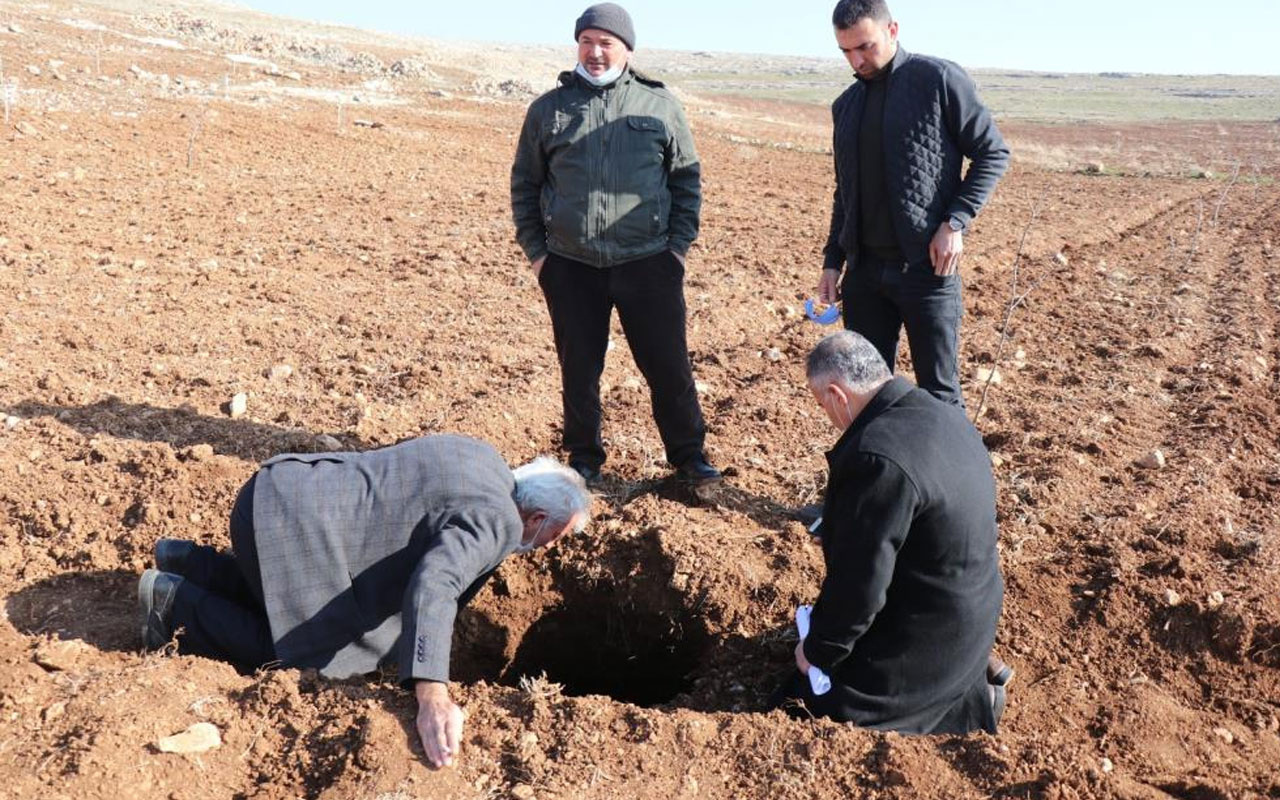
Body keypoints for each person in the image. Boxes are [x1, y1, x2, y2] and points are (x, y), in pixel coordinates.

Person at [135, 435, 591, 769]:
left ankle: (190, 562)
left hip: (275, 493)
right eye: (552, 536)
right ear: (534, 517)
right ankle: (173, 606)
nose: (546, 547)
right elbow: (434, 584)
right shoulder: (498, 523)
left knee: (290, 598)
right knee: (305, 658)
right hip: (292, 532)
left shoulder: (482, 457)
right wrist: (432, 692)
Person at [510, 2, 720, 487]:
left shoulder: (659, 106)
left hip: (648, 262)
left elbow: (686, 182)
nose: (595, 52)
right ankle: (584, 459)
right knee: (579, 370)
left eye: (606, 43)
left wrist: (676, 251)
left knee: (668, 365)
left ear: (626, 49)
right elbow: (525, 183)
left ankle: (690, 458)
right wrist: (539, 256)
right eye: (587, 41)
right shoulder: (549, 110)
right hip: (571, 265)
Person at [773, 330, 1007, 734]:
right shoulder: (941, 413)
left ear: (837, 396)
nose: (828, 417)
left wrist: (818, 650)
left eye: (821, 405)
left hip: (929, 640)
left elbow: (860, 586)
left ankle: (958, 705)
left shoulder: (875, 457)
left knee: (798, 707)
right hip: (971, 615)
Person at [816, 0, 1009, 408]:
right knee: (864, 396)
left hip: (927, 272)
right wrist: (832, 260)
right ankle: (878, 474)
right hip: (864, 276)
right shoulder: (845, 106)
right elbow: (843, 192)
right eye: (846, 51)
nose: (856, 60)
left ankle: (948, 473)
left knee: (939, 396)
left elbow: (992, 153)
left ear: (893, 30)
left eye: (865, 47)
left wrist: (954, 223)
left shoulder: (938, 80)